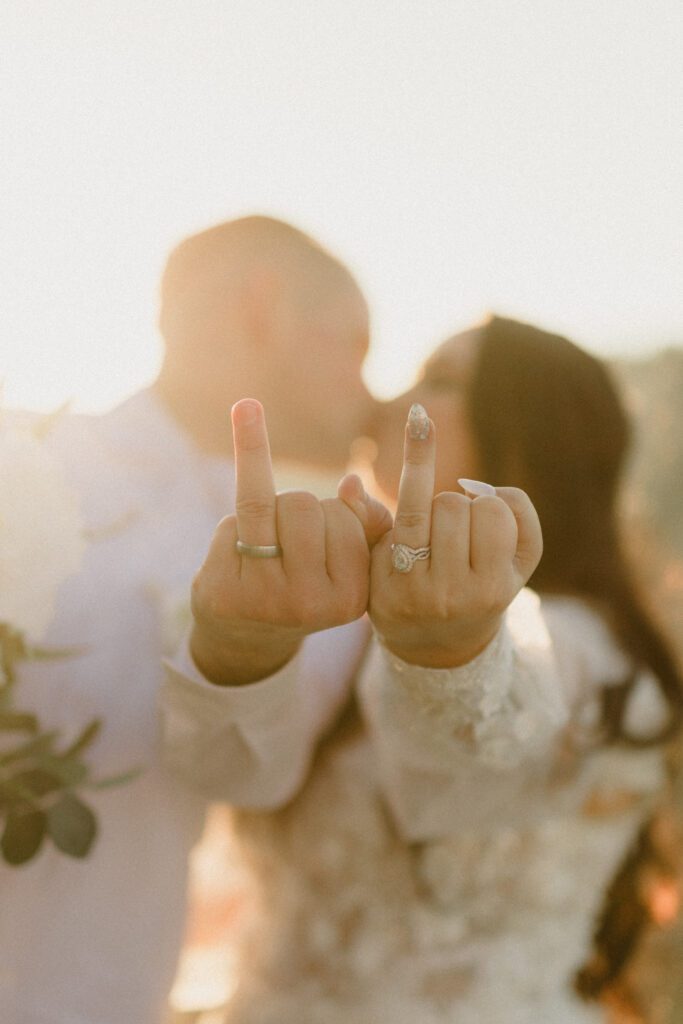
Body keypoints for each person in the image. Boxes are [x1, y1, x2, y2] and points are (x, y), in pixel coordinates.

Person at [162, 315, 682, 1022]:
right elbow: (233, 778)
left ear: (530, 432)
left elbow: (477, 757)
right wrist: (240, 646)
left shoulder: (590, 649)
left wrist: (447, 653)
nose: (387, 400)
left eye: (438, 379)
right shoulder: (341, 613)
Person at [0, 215, 376, 1024]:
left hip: (100, 992)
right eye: (352, 345)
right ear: (260, 310)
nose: (369, 393)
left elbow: (252, 775)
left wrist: (246, 648)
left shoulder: (324, 563)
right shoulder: (19, 459)